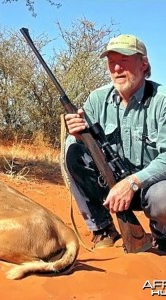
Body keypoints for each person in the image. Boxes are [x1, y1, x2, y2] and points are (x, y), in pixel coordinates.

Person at [64, 34, 166, 251]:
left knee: (164, 197)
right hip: (110, 187)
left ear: (144, 63)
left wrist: (132, 183)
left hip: (151, 186)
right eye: (112, 62)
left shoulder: (162, 101)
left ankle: (161, 233)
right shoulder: (97, 99)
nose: (117, 68)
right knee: (71, 148)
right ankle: (102, 229)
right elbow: (83, 148)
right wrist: (77, 134)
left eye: (125, 60)